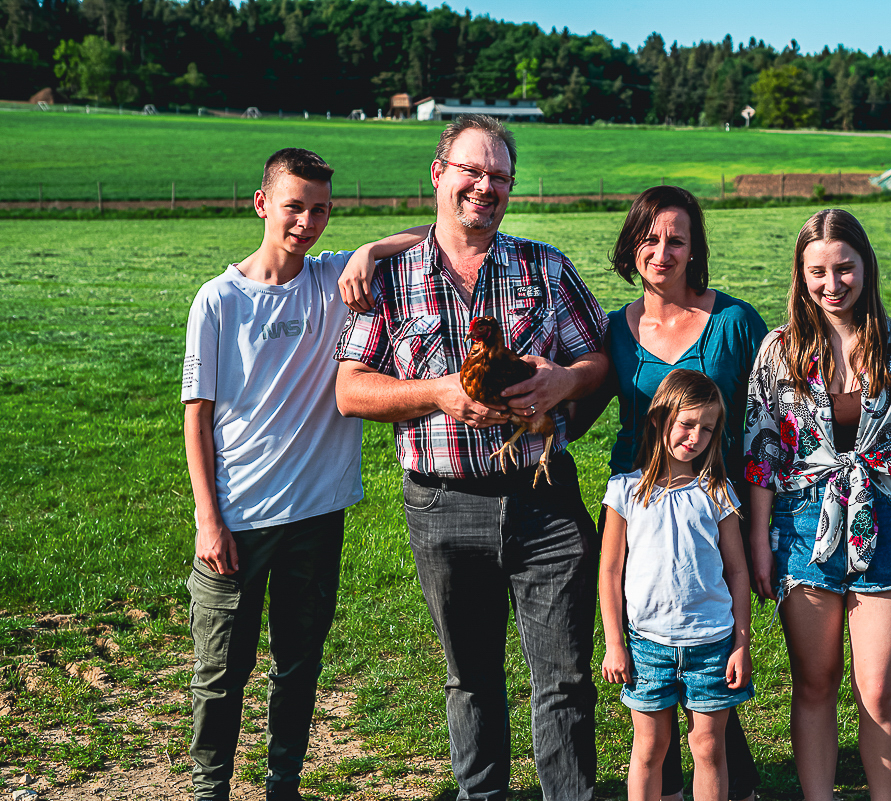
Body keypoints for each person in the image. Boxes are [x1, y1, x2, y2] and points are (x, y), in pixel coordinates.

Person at [333, 114, 609, 801]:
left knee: (565, 677)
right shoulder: (390, 278)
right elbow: (350, 389)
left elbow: (601, 361)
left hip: (545, 502)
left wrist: (564, 381)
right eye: (472, 171)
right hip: (443, 505)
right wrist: (437, 393)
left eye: (500, 177)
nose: (486, 186)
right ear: (439, 174)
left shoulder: (546, 268)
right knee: (470, 677)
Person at [181, 147, 429, 801]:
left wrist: (370, 250)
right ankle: (210, 788)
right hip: (237, 520)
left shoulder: (333, 280)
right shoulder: (218, 300)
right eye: (294, 207)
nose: (307, 222)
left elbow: (436, 235)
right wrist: (208, 520)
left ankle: (282, 783)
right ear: (262, 203)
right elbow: (196, 418)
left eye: (320, 210)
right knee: (220, 671)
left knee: (298, 664)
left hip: (317, 517)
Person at [743, 208, 891, 801]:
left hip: (886, 523)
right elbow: (761, 453)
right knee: (815, 684)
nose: (832, 284)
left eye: (844, 268)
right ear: (800, 275)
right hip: (802, 525)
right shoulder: (779, 349)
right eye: (818, 272)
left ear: (866, 267)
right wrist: (759, 543)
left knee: (879, 690)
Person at [570, 185, 766, 801]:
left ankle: (730, 782)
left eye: (676, 239)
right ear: (631, 245)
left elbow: (772, 423)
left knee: (708, 651)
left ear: (694, 248)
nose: (662, 251)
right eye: (649, 238)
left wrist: (764, 522)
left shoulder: (735, 323)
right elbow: (575, 414)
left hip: (717, 506)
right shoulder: (613, 330)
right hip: (639, 508)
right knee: (654, 653)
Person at [598, 369, 754, 801]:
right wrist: (614, 643)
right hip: (648, 645)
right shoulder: (625, 491)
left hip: (712, 644)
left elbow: (738, 572)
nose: (696, 437)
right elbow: (609, 572)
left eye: (708, 428)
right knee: (649, 748)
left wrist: (741, 644)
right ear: (658, 419)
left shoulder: (718, 492)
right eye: (686, 423)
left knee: (708, 746)